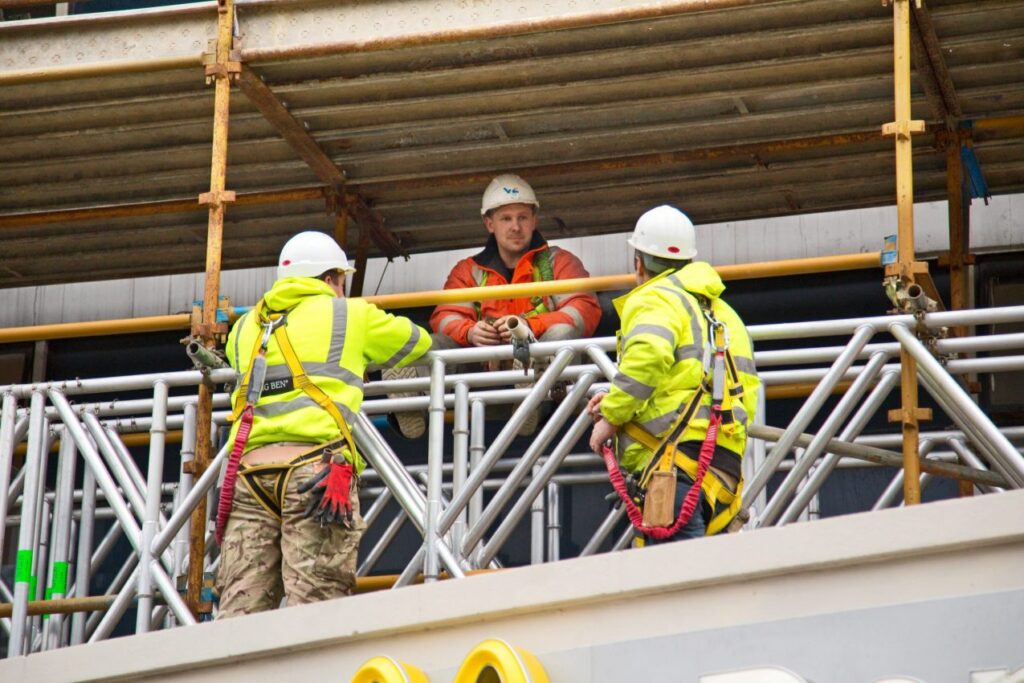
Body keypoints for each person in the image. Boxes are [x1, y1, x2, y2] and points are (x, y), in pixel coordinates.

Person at [216, 230, 431, 618]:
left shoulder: (245, 327)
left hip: (248, 475)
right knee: (315, 610)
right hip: (316, 473)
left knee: (240, 612)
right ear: (331, 278)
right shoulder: (349, 314)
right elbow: (417, 343)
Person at [587, 205, 760, 542]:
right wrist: (619, 399)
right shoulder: (726, 315)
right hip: (723, 471)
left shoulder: (655, 298)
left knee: (673, 573)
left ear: (638, 263)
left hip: (673, 467)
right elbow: (734, 390)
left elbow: (648, 358)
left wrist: (612, 415)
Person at [388, 173, 601, 438]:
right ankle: (411, 404)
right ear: (489, 223)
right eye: (506, 219)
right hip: (480, 373)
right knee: (433, 342)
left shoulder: (560, 262)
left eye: (523, 217)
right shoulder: (468, 270)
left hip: (546, 376)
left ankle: (531, 398)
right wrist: (470, 332)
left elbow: (583, 310)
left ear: (534, 220)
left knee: (561, 334)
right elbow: (445, 316)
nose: (516, 227)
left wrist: (529, 326)